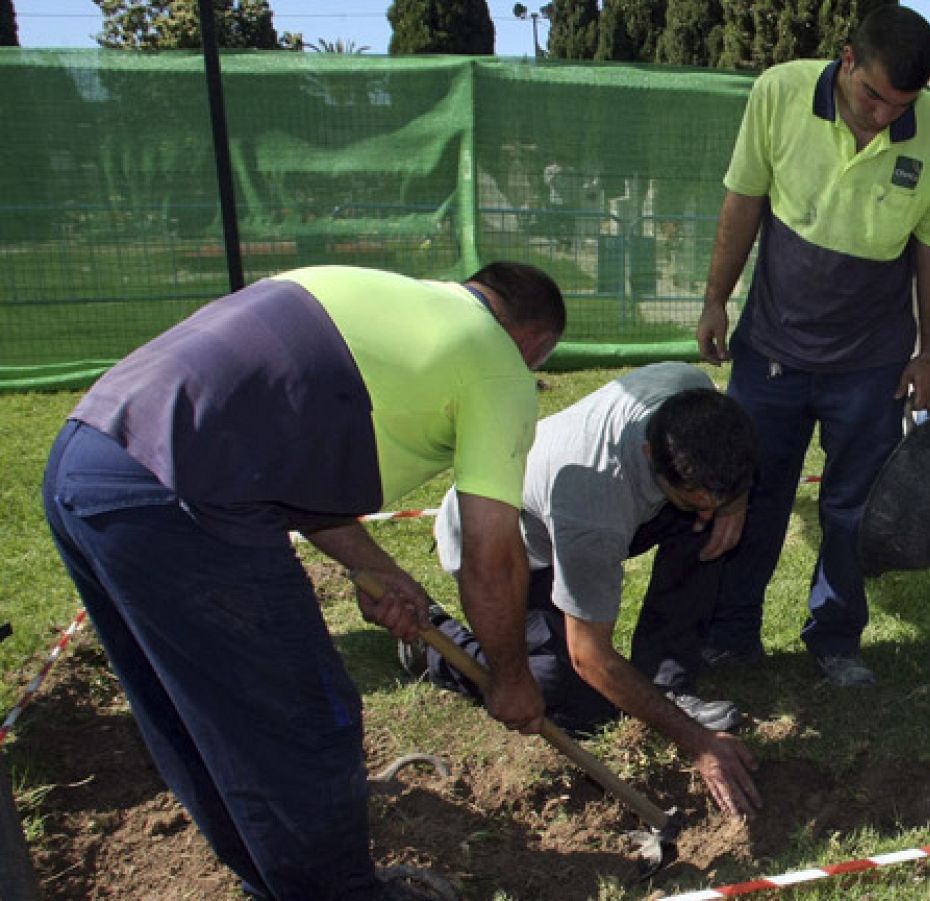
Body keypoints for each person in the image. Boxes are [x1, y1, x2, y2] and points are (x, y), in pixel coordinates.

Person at [41, 263, 566, 899]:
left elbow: (277, 447)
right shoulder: (497, 366)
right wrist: (512, 679)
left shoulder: (367, 291)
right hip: (182, 498)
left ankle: (277, 885)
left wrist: (376, 566)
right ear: (534, 345)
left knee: (199, 718)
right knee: (307, 719)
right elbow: (492, 557)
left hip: (86, 463)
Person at [694, 6, 930, 688]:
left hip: (872, 361)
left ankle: (837, 638)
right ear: (846, 61)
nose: (880, 117)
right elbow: (743, 202)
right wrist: (715, 298)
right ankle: (730, 633)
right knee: (752, 493)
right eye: (871, 96)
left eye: (899, 104)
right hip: (771, 350)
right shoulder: (779, 92)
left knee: (852, 507)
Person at [424, 363, 762, 817]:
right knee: (571, 694)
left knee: (704, 528)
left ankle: (666, 678)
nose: (711, 508)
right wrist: (697, 743)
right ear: (649, 454)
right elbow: (592, 657)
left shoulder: (690, 391)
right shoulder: (594, 509)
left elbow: (720, 479)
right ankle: (434, 643)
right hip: (504, 548)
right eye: (695, 499)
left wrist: (731, 503)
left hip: (572, 508)